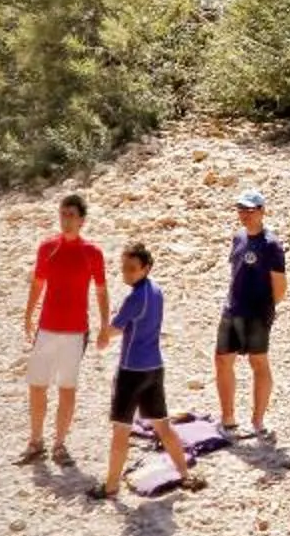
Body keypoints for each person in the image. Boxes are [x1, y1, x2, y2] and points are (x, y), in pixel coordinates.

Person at [94, 242, 201, 502]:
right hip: (154, 366)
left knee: (121, 430)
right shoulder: (156, 291)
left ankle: (110, 487)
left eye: (132, 269)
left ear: (145, 267)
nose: (127, 273)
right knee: (162, 426)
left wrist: (102, 331)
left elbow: (114, 330)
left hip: (131, 370)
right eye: (124, 269)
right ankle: (185, 475)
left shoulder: (134, 298)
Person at [22, 194, 108, 465]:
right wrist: (28, 314)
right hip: (47, 326)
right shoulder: (47, 248)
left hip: (74, 330)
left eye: (71, 215)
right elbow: (38, 283)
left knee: (66, 388)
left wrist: (105, 325)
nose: (66, 219)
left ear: (82, 220)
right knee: (37, 386)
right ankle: (36, 442)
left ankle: (60, 444)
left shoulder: (92, 253)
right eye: (62, 214)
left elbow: (101, 291)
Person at [214, 187, 286, 440]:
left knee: (258, 363)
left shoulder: (271, 245)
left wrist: (266, 310)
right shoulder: (239, 237)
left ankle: (258, 420)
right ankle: (228, 419)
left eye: (249, 210)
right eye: (240, 209)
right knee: (222, 360)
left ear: (262, 211)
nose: (244, 214)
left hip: (256, 313)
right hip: (232, 309)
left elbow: (280, 285)